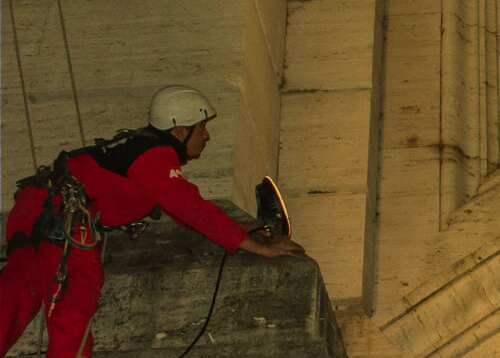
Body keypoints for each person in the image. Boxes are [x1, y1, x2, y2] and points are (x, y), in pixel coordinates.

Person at [0, 85, 304, 357]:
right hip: (66, 217)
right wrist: (261, 249)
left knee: (16, 294)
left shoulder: (136, 148)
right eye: (202, 127)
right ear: (180, 130)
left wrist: (242, 230)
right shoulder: (156, 156)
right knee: (74, 308)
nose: (207, 135)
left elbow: (183, 210)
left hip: (33, 207)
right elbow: (191, 208)